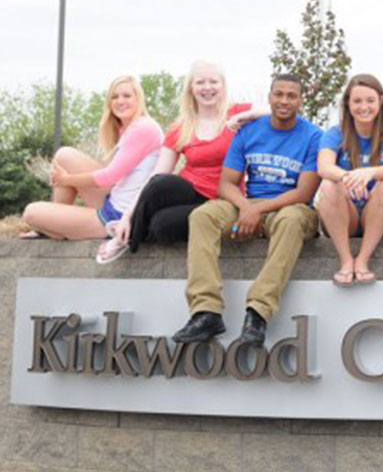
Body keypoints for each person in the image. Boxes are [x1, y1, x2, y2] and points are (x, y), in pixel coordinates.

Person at [172, 74, 321, 347]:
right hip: (249, 203)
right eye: (279, 94)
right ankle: (206, 311)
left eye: (291, 95)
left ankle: (258, 313)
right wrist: (245, 208)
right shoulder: (249, 131)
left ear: (301, 100)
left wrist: (256, 210)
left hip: (291, 209)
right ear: (270, 96)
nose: (284, 101)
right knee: (203, 215)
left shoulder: (313, 136)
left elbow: (304, 193)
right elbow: (225, 184)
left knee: (290, 219)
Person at [95, 61, 259, 263]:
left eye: (213, 82)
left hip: (222, 199)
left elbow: (275, 109)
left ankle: (132, 234)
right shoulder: (180, 127)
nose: (207, 88)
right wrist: (128, 215)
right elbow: (156, 175)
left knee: (161, 226)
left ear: (223, 86)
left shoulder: (237, 114)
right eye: (200, 82)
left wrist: (247, 115)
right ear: (191, 88)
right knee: (160, 183)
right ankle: (124, 236)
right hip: (189, 192)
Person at [22, 75, 161, 240]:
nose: (120, 101)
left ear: (139, 99)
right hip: (114, 200)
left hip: (120, 216)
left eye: (127, 96)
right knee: (64, 155)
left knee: (30, 213)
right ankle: (55, 223)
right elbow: (116, 178)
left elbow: (109, 177)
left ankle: (55, 227)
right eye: (114, 97)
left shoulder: (143, 128)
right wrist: (67, 179)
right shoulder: (127, 128)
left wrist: (67, 179)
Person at [317, 74, 383, 286]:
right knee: (329, 185)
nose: (363, 107)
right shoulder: (335, 133)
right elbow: (324, 166)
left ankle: (363, 261)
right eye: (357, 101)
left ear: (381, 101)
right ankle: (346, 260)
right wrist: (349, 177)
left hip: (379, 215)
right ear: (348, 103)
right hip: (343, 214)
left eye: (370, 100)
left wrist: (369, 173)